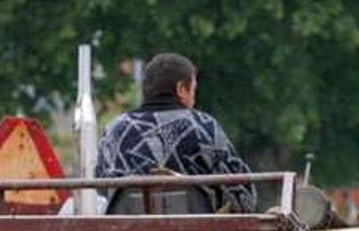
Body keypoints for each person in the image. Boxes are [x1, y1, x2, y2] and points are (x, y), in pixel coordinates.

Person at [95, 52, 256, 214]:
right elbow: (244, 196)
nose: (194, 98)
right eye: (193, 90)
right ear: (181, 89)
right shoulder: (203, 127)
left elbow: (101, 190)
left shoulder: (114, 131)